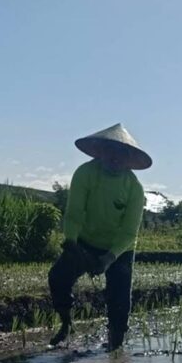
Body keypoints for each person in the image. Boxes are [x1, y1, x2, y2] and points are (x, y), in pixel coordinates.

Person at [48, 123, 151, 351]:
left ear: (129, 159)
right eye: (111, 151)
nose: (115, 158)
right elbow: (74, 214)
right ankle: (66, 324)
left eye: (121, 154)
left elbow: (128, 232)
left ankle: (116, 344)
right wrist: (71, 243)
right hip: (84, 241)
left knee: (120, 297)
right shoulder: (85, 173)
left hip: (118, 248)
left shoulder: (134, 188)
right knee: (57, 278)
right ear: (101, 151)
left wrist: (109, 258)